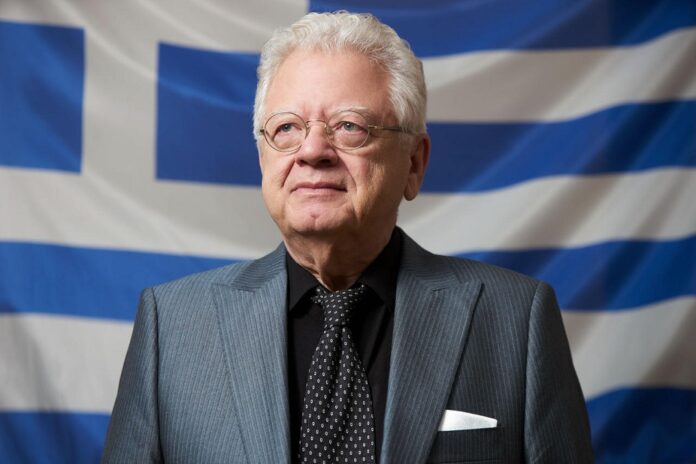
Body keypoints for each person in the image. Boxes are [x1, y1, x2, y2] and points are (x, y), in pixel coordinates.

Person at [102, 11, 593, 464]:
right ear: (263, 157)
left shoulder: (517, 320)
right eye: (287, 128)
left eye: (349, 126)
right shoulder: (171, 328)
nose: (312, 150)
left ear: (414, 164)